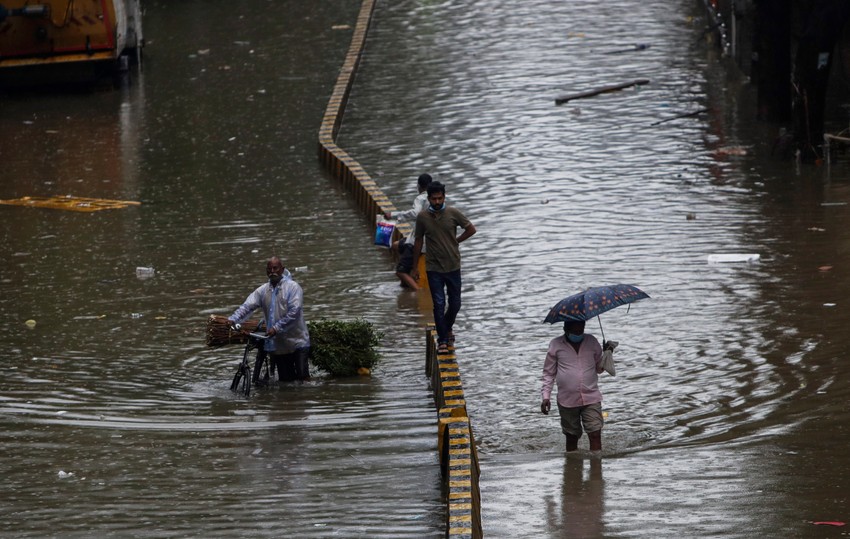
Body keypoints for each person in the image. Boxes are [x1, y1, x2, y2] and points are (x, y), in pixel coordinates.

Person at [410, 181, 476, 354]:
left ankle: (446, 327)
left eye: (440, 198)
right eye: (434, 199)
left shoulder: (453, 213)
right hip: (433, 267)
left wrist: (456, 241)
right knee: (439, 304)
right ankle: (443, 340)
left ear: (444, 197)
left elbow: (471, 229)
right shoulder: (423, 217)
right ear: (429, 199)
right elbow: (418, 241)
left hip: (453, 265)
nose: (437, 202)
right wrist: (415, 266)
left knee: (455, 304)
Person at [228, 256, 311, 383]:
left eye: (275, 268)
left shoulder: (293, 287)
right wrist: (233, 319)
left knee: (303, 378)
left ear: (282, 269)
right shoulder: (262, 291)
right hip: (279, 344)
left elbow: (295, 311)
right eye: (269, 269)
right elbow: (247, 307)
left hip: (297, 341)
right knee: (286, 381)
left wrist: (277, 328)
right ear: (266, 271)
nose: (272, 271)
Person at [540, 319, 605, 452]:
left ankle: (597, 468)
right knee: (571, 436)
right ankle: (572, 466)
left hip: (591, 397)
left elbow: (600, 369)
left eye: (581, 330)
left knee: (595, 433)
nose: (578, 333)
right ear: (566, 330)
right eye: (575, 331)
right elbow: (548, 373)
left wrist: (607, 353)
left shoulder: (592, 341)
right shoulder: (556, 345)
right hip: (567, 401)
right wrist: (546, 397)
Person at [383, 173, 432, 290]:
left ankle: (417, 291)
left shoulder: (421, 198)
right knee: (395, 246)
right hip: (424, 238)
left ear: (419, 186)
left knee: (399, 272)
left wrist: (394, 215)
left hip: (417, 242)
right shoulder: (436, 198)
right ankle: (406, 278)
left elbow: (415, 213)